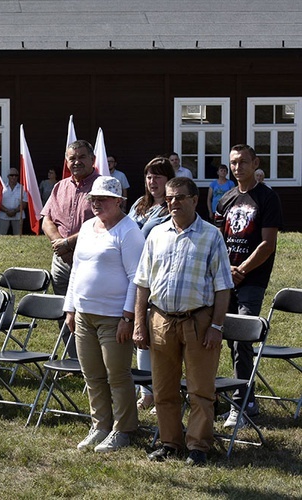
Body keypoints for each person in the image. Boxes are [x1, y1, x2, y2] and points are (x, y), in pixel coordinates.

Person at [133, 177, 233, 466]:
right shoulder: (156, 234)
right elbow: (142, 284)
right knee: (163, 388)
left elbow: (223, 287)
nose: (173, 203)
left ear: (194, 200)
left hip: (198, 322)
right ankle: (170, 443)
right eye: (169, 198)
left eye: (179, 197)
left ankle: (198, 446)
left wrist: (216, 326)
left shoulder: (212, 235)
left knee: (200, 389)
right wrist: (140, 323)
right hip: (161, 320)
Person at [64, 176, 144, 453]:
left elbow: (137, 277)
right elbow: (76, 270)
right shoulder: (87, 227)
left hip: (114, 317)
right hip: (84, 314)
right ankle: (100, 426)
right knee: (92, 375)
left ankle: (123, 430)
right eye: (93, 199)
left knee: (117, 375)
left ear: (118, 201)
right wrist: (70, 308)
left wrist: (126, 317)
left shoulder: (129, 231)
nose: (96, 203)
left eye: (102, 199)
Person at [215, 144, 283, 428]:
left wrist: (241, 269)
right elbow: (218, 240)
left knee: (243, 338)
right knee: (221, 337)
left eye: (243, 162)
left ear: (255, 163)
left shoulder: (267, 198)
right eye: (233, 162)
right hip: (224, 279)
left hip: (252, 280)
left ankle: (243, 405)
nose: (237, 167)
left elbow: (268, 244)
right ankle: (233, 399)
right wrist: (226, 269)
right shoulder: (226, 199)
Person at [41, 139, 99, 355]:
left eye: (82, 157)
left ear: (92, 159)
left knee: (88, 311)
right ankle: (72, 358)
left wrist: (68, 242)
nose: (76, 162)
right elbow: (46, 220)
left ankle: (91, 359)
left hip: (90, 259)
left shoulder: (102, 186)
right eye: (72, 158)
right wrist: (60, 244)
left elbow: (102, 222)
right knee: (64, 309)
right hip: (61, 260)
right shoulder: (60, 186)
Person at [127, 156, 175, 409]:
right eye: (148, 176)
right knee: (140, 335)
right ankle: (146, 392)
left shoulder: (172, 209)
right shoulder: (138, 205)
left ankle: (163, 391)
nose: (152, 181)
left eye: (158, 176)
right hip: (133, 277)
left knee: (159, 337)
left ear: (169, 180)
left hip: (159, 279)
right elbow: (126, 234)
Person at [0, 167, 26, 236]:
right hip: (3, 216)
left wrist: (14, 211)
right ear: (8, 176)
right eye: (12, 175)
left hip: (18, 216)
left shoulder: (23, 188)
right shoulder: (1, 187)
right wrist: (7, 211)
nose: (14, 177)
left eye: (16, 175)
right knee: (1, 236)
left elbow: (24, 203)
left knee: (18, 237)